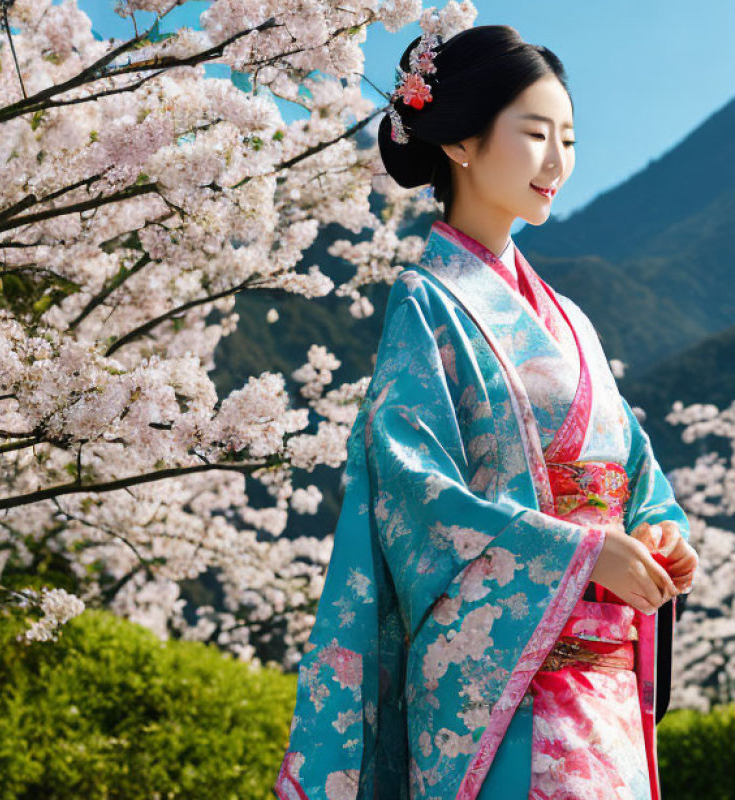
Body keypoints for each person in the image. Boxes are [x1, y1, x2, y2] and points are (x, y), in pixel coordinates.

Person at [274, 24, 699, 800]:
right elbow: (415, 493)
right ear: (464, 143)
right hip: (505, 697)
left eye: (568, 139)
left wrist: (658, 530)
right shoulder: (427, 303)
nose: (558, 161)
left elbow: (638, 471)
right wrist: (579, 556)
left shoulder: (576, 322)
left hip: (603, 692)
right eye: (535, 134)